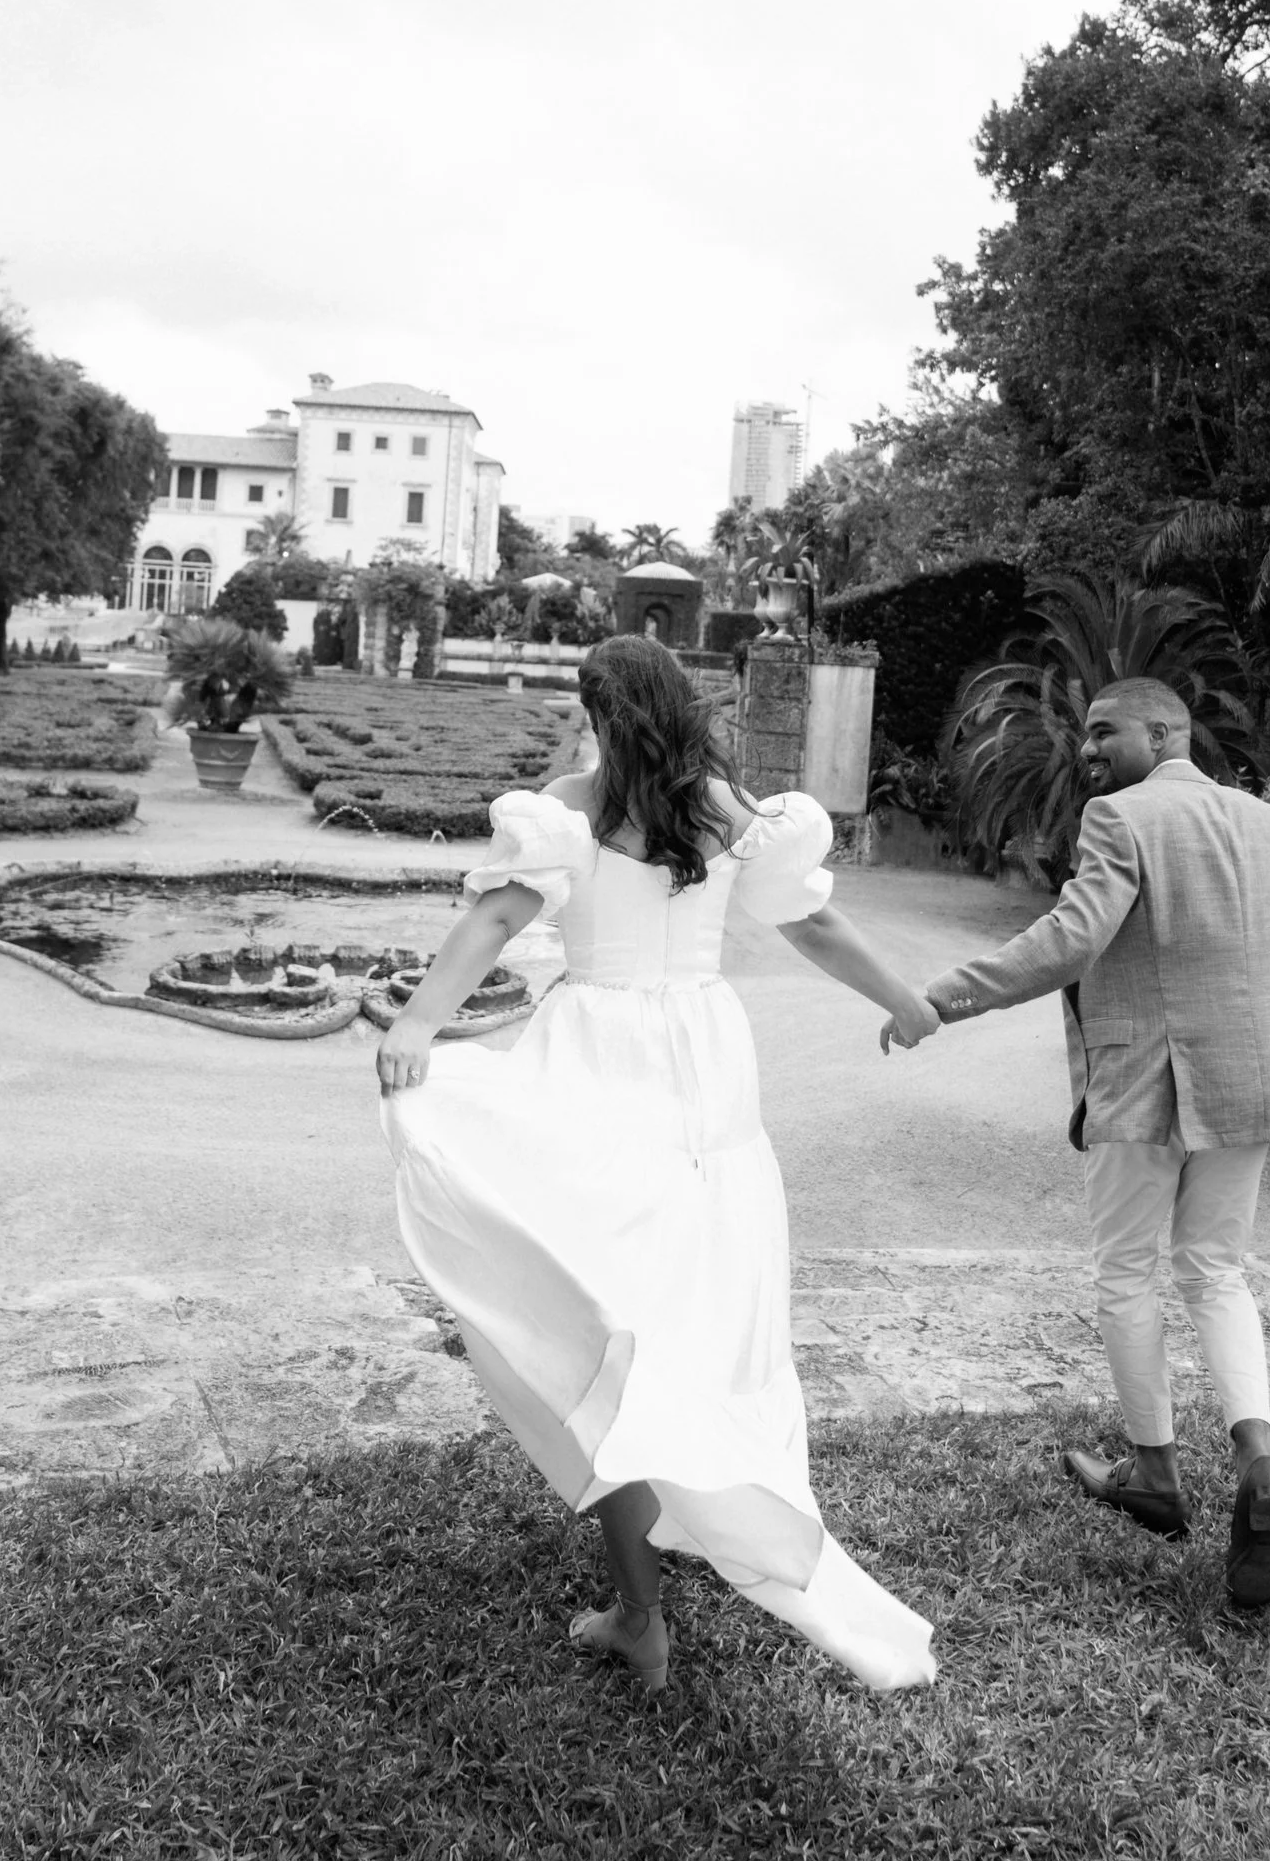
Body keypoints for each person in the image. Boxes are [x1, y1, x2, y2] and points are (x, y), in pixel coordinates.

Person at [377, 634, 940, 1694]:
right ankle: (680, 1545)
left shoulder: (571, 807)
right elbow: (814, 927)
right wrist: (903, 999)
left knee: (605, 1325)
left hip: (600, 1059)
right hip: (706, 1067)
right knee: (687, 1324)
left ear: (596, 712)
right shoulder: (726, 811)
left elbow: (495, 921)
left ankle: (641, 1609)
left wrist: (417, 1023)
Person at [902, 676, 1270, 1612]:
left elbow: (1074, 939)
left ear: (1165, 732)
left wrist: (943, 997)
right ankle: (1259, 1462)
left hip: (1146, 1082)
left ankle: (1154, 1473)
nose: (1088, 751)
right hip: (1255, 1086)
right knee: (1216, 1272)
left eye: (1106, 732)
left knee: (1126, 1271)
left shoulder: (1121, 818)